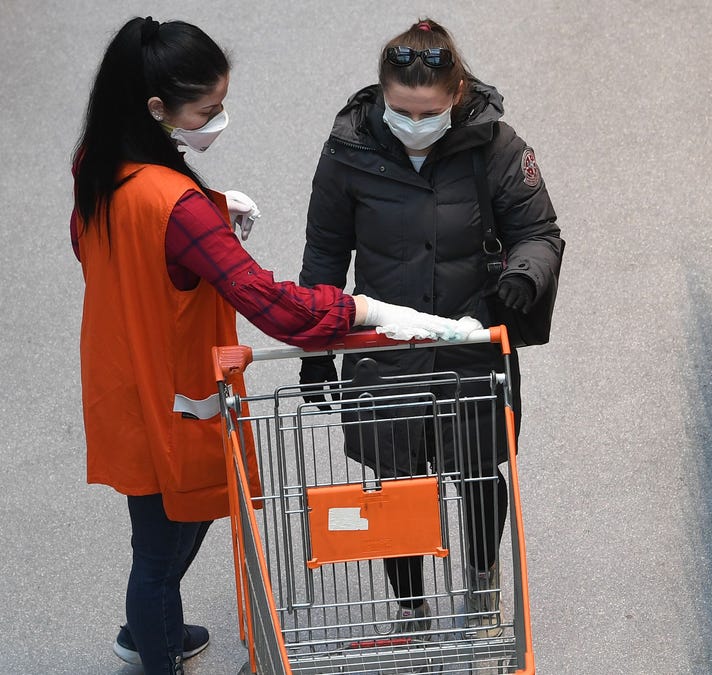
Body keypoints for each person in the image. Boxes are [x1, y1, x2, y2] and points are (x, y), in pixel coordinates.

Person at [71, 17, 475, 674]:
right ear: (156, 108)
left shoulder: (100, 166)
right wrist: (356, 308)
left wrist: (208, 206)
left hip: (121, 380)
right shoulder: (175, 206)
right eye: (209, 109)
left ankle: (150, 626)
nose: (219, 118)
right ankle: (152, 644)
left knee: (177, 521)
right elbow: (273, 306)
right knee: (159, 550)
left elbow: (108, 249)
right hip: (170, 398)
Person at [298, 18, 564, 638]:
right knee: (397, 487)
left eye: (428, 111)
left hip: (471, 342)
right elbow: (324, 256)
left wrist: (524, 276)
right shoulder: (347, 154)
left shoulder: (495, 146)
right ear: (381, 95)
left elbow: (539, 232)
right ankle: (410, 603)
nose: (414, 123)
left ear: (458, 95)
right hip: (384, 348)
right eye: (400, 110)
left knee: (478, 473)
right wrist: (316, 350)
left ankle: (480, 581)